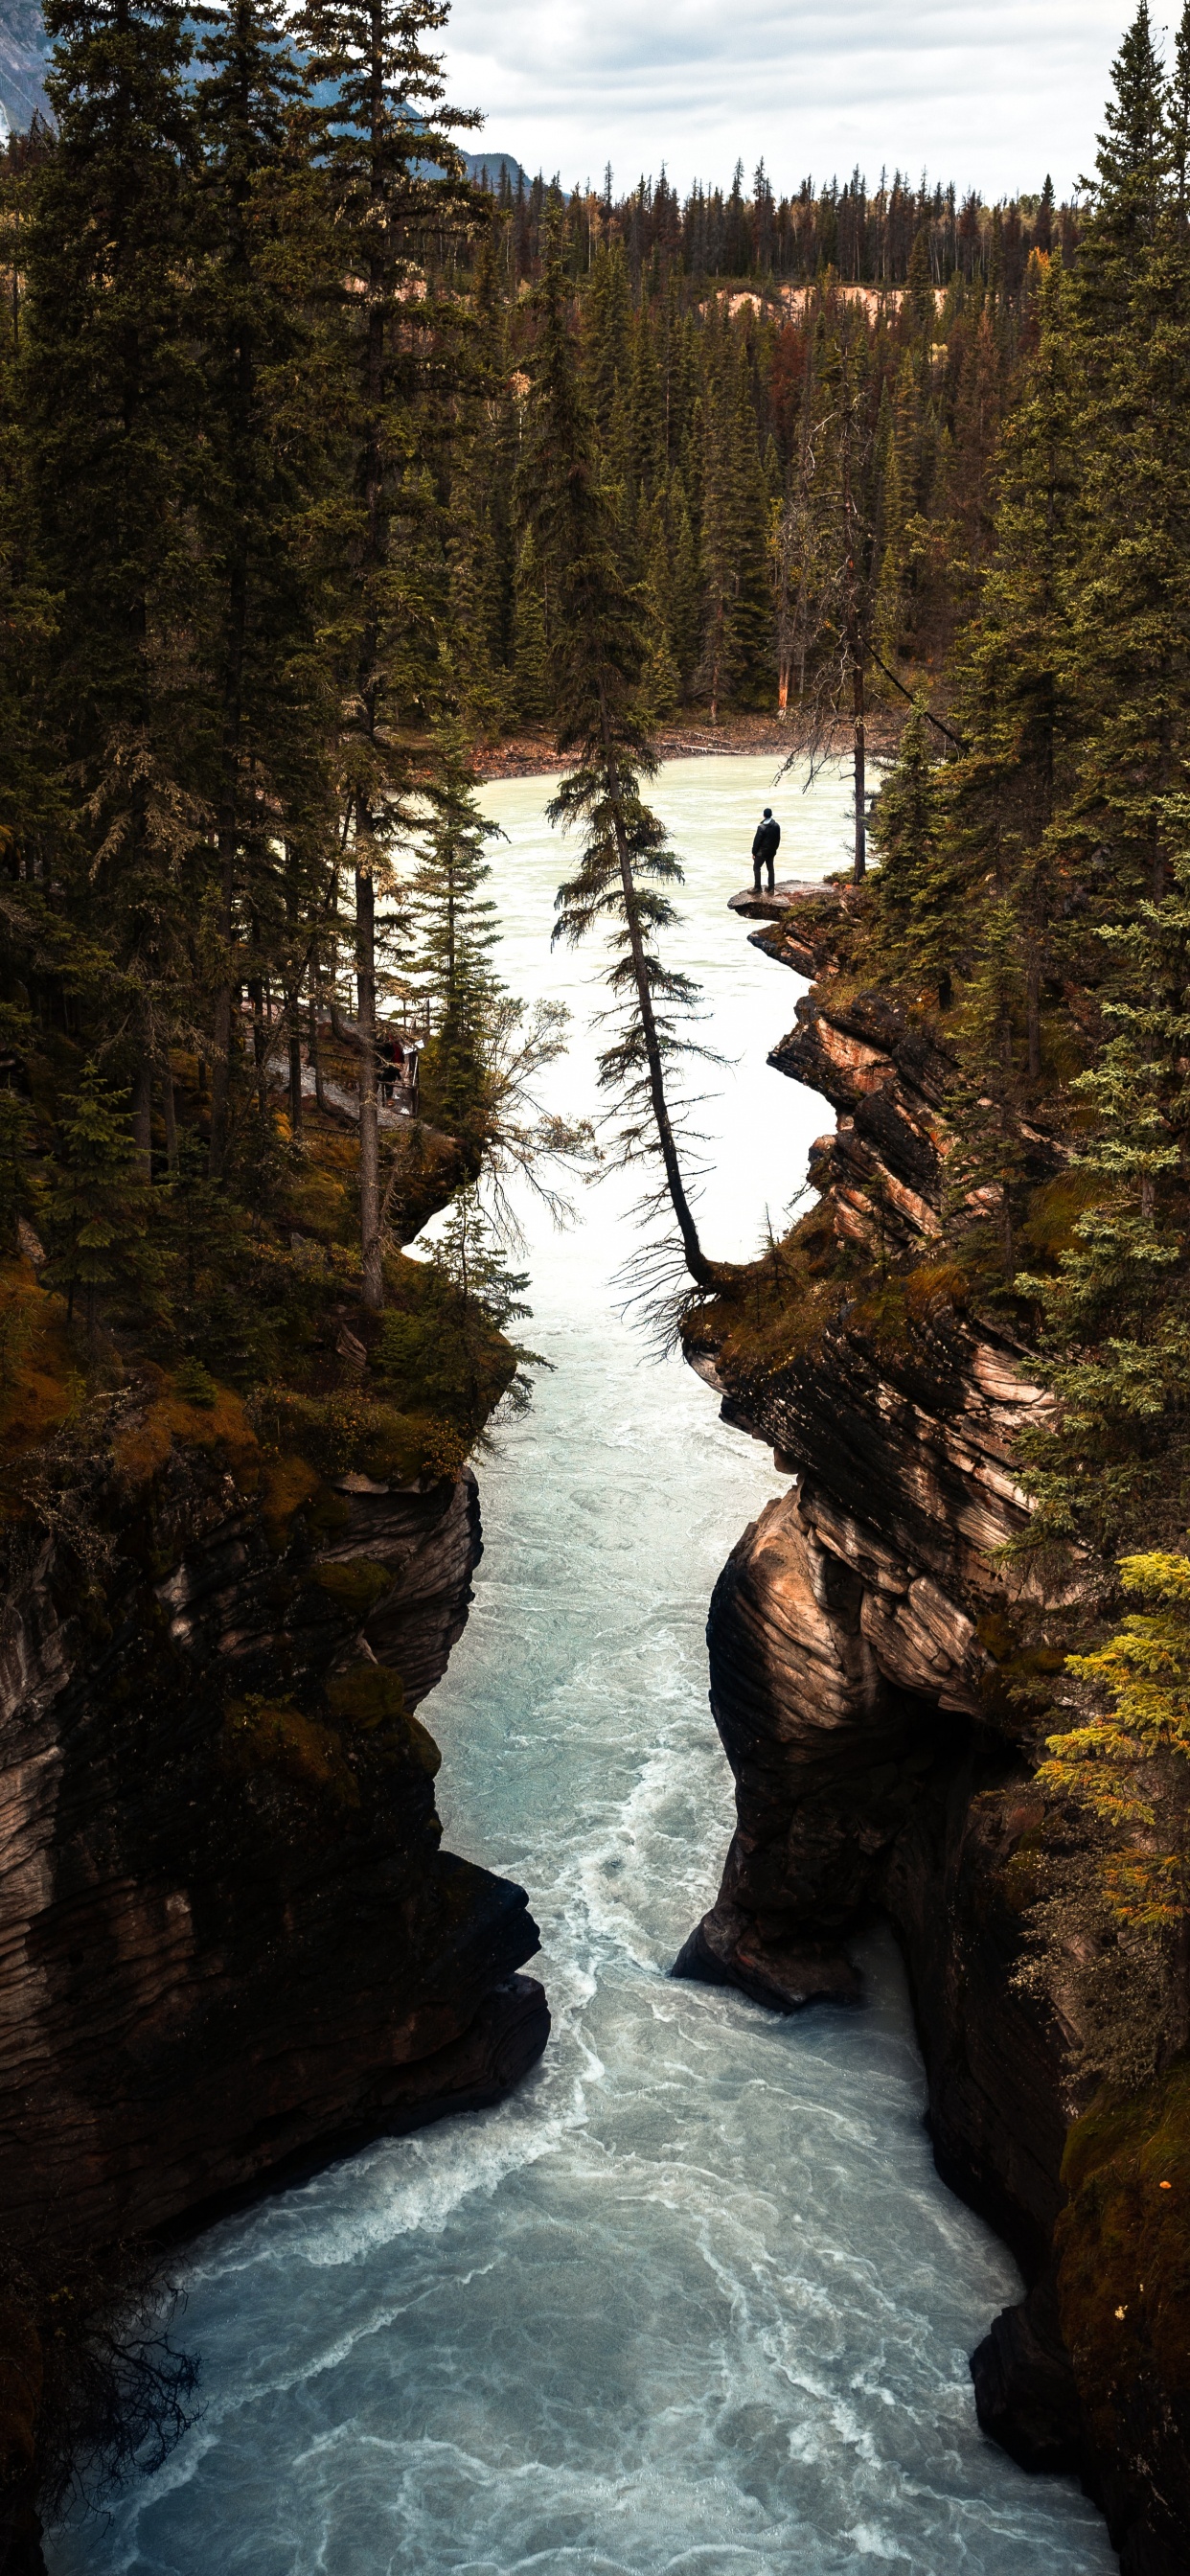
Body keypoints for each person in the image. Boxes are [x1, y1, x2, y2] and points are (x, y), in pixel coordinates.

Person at [751, 806, 781, 892]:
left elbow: (757, 841)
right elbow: (778, 839)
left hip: (762, 853)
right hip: (771, 851)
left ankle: (757, 887)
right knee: (770, 869)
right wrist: (775, 850)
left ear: (764, 815)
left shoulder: (761, 827)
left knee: (756, 867)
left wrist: (754, 852)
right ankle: (771, 888)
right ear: (771, 815)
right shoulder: (776, 826)